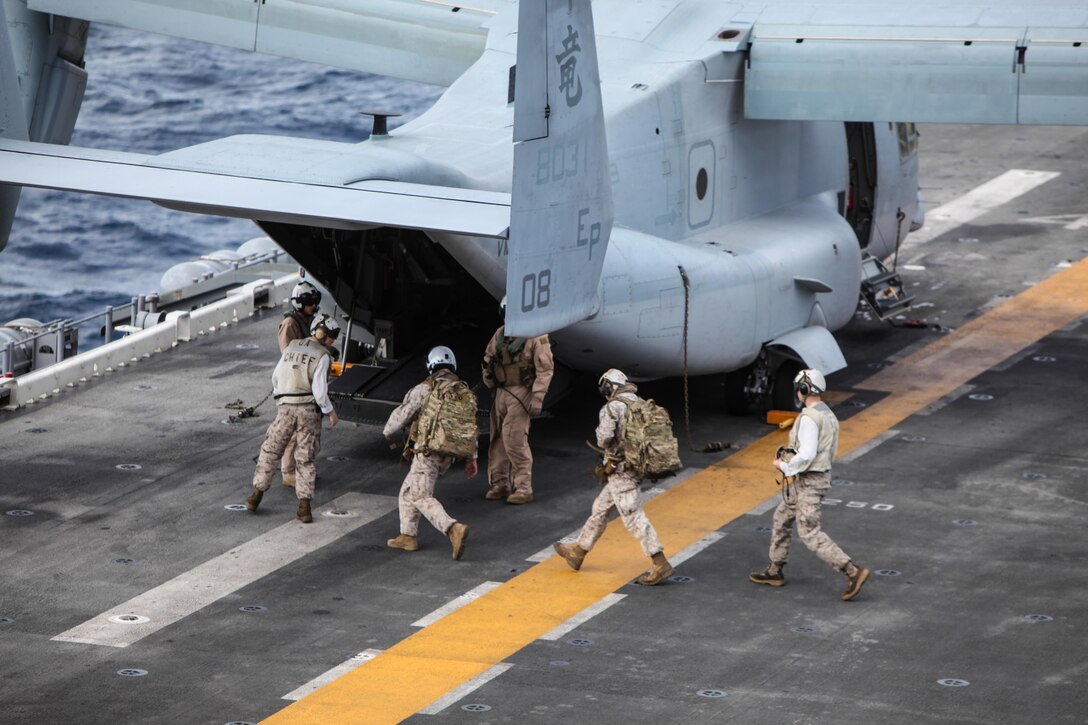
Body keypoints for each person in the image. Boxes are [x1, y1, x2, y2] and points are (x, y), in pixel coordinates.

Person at [749, 368, 870, 601]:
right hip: (811, 478)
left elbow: (806, 454)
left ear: (804, 390)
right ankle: (775, 570)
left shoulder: (809, 418)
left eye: (798, 387)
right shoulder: (827, 414)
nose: (797, 392)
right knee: (782, 516)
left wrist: (783, 466)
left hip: (810, 481)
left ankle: (852, 571)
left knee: (809, 531)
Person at [552, 369, 674, 586]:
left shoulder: (612, 407)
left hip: (621, 471)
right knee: (600, 508)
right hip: (636, 466)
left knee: (632, 515)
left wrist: (610, 460)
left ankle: (659, 561)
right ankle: (578, 552)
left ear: (608, 387)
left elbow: (604, 439)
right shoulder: (640, 402)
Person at [383, 346, 477, 560]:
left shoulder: (425, 389)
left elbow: (404, 412)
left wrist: (388, 431)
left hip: (427, 452)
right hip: (448, 455)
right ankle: (408, 536)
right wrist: (472, 458)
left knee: (421, 495)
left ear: (430, 365)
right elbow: (469, 427)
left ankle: (452, 528)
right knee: (408, 491)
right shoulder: (463, 392)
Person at [245, 313, 340, 523]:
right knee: (305, 458)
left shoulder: (291, 347)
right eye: (331, 336)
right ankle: (304, 508)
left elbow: (276, 377)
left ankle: (256, 495)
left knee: (270, 450)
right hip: (308, 410)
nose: (333, 340)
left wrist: (282, 399)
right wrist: (330, 411)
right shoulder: (323, 356)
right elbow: (320, 390)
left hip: (286, 408)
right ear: (321, 332)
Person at [480, 296, 554, 504]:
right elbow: (488, 358)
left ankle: (523, 488)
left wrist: (538, 397)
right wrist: (489, 379)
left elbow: (545, 369)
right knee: (497, 440)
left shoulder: (536, 336)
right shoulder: (501, 334)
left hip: (521, 393)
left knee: (514, 440)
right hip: (501, 392)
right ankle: (500, 483)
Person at [278, 280, 322, 489]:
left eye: (314, 302)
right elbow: (289, 355)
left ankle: (302, 468)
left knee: (309, 430)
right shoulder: (290, 324)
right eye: (309, 302)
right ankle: (288, 472)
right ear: (299, 303)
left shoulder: (308, 320)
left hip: (308, 382)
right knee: (294, 431)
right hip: (295, 384)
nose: (313, 306)